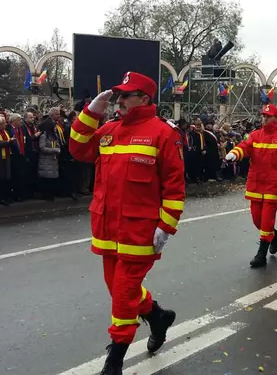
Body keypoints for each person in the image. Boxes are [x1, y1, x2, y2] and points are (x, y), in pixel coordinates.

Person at [68, 72, 185, 374]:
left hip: (140, 232)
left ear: (144, 99)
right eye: (118, 95)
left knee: (122, 292)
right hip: (107, 229)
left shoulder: (163, 133)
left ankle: (115, 359)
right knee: (119, 288)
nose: (119, 100)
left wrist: (166, 226)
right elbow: (78, 148)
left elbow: (174, 186)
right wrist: (91, 112)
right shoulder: (108, 130)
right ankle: (157, 316)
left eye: (126, 95)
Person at [224, 104, 277, 267]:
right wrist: (235, 153)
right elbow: (245, 147)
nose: (265, 118)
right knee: (257, 220)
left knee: (267, 219)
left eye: (268, 116)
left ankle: (261, 254)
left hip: (273, 185)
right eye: (264, 116)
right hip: (256, 183)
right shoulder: (255, 135)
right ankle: (274, 235)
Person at [37, 119, 61, 200]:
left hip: (53, 159)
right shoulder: (44, 136)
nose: (55, 128)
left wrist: (58, 149)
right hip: (45, 160)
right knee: (46, 178)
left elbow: (58, 145)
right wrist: (54, 150)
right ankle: (45, 194)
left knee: (52, 178)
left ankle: (51, 193)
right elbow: (42, 148)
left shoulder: (55, 136)